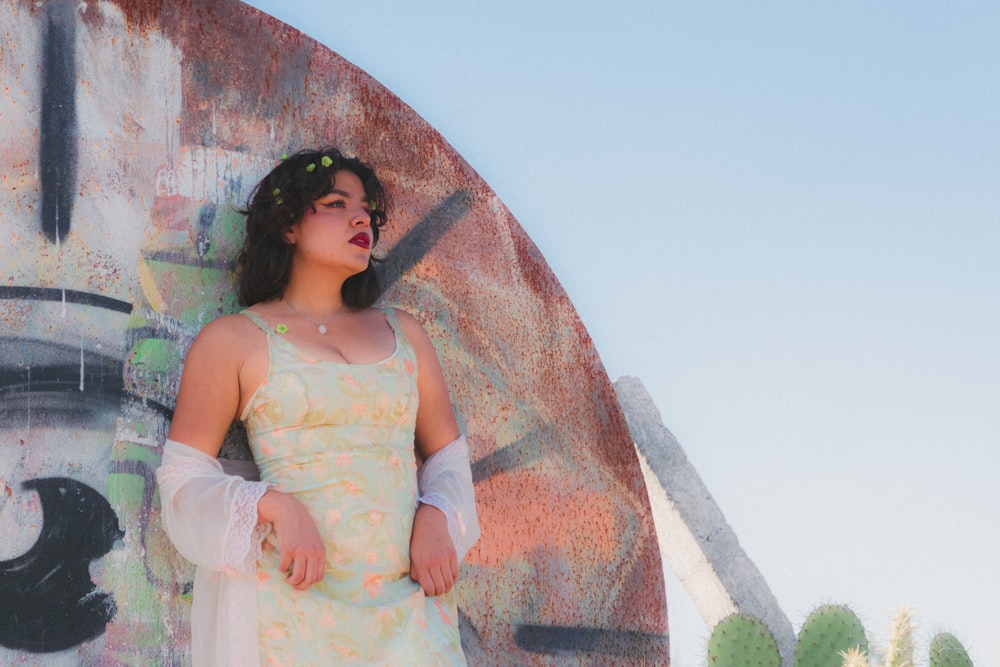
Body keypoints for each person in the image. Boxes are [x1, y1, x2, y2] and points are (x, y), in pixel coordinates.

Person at [156, 148, 479, 666]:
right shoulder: (234, 340)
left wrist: (438, 516)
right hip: (289, 607)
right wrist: (274, 506)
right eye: (336, 202)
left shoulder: (406, 335)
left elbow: (447, 458)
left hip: (409, 609)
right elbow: (182, 479)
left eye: (368, 211)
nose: (361, 218)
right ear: (287, 227)